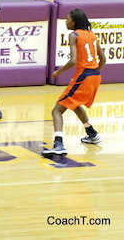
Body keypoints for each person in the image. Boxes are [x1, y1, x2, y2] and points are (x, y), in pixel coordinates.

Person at [43, 9, 106, 156]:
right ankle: (92, 133)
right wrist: (94, 72)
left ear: (74, 21)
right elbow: (103, 59)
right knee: (74, 103)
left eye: (68, 19)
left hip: (84, 76)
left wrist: (58, 72)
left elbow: (73, 60)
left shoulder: (74, 35)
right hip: (95, 76)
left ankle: (59, 145)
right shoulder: (92, 35)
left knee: (57, 110)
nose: (66, 21)